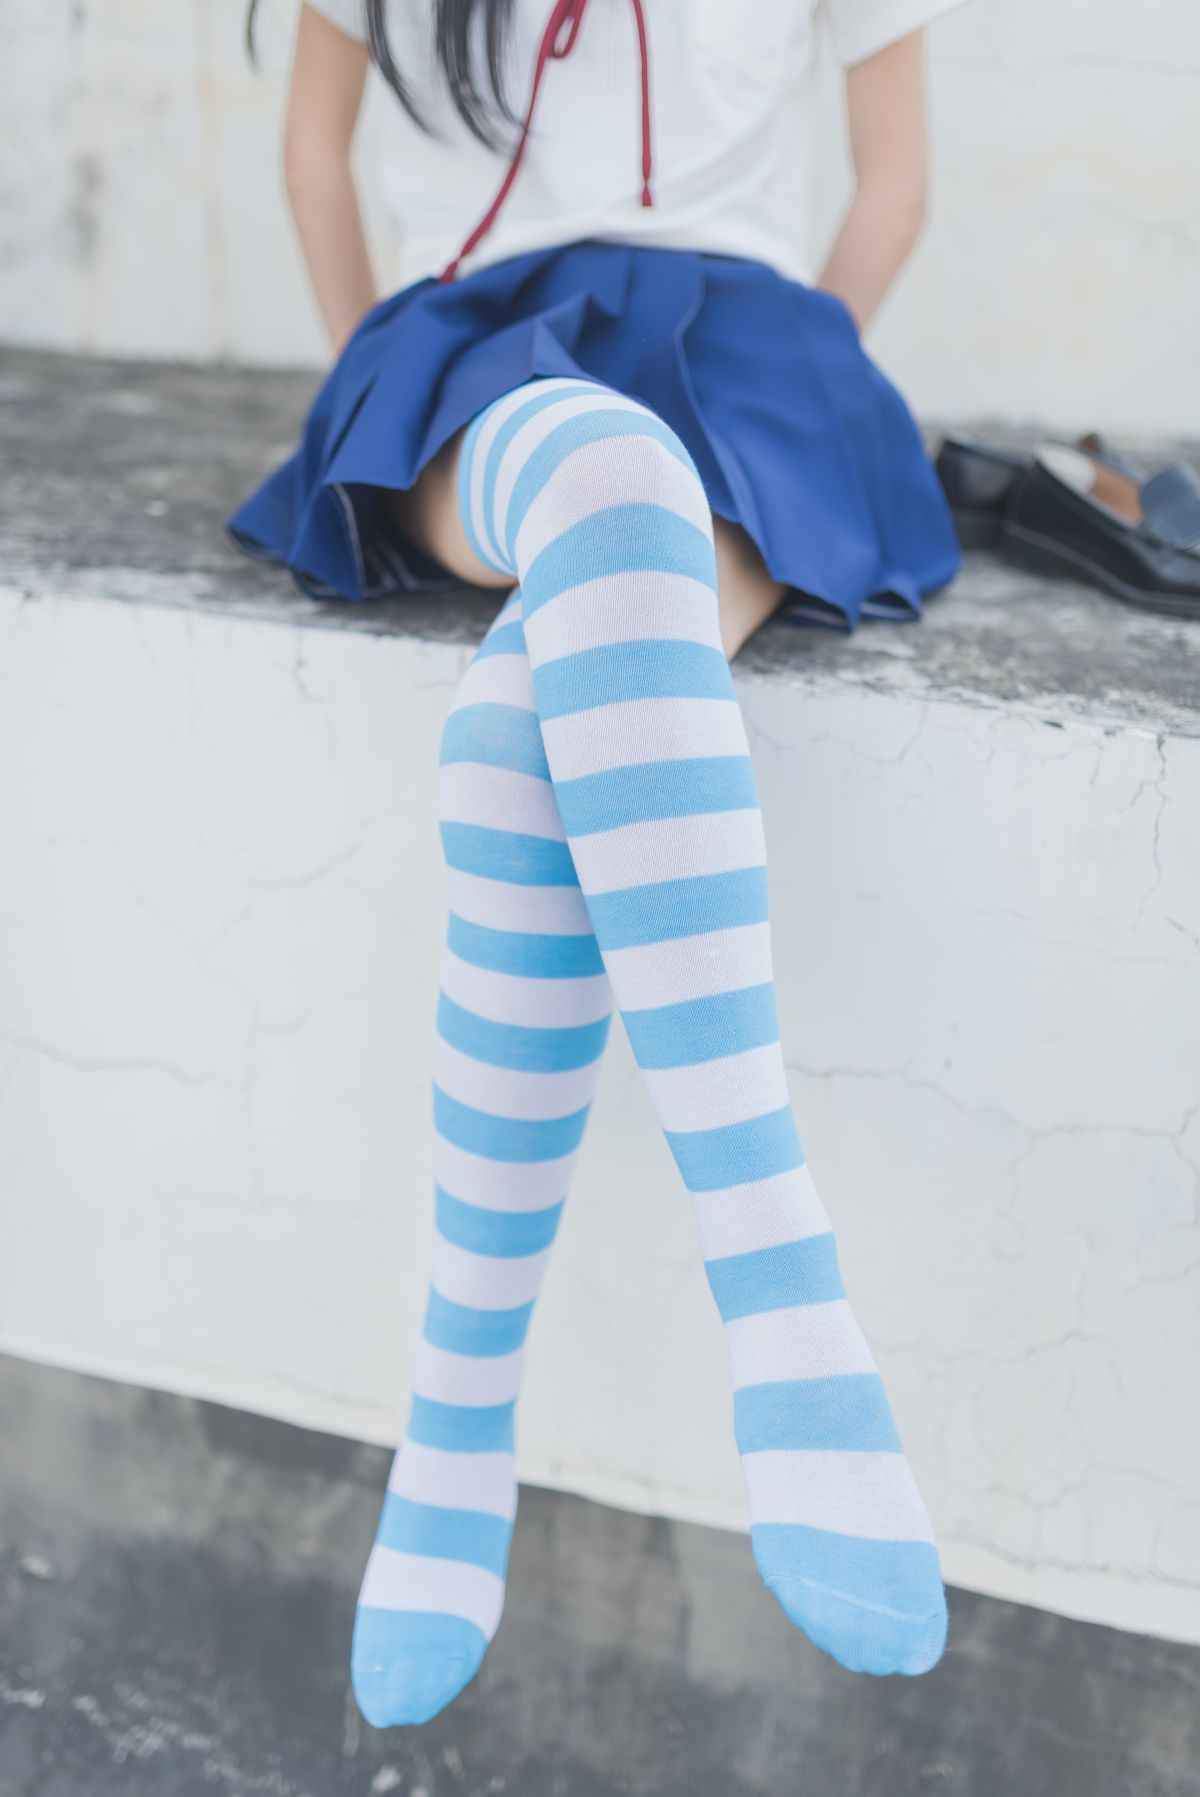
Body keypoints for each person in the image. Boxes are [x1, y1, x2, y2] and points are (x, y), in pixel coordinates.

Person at [231, 0, 963, 1729]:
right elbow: (314, 149)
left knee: (517, 741)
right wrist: (377, 385)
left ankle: (455, 1417)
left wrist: (795, 388)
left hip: (750, 346)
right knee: (615, 473)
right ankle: (787, 1300)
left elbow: (896, 182)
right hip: (484, 350)